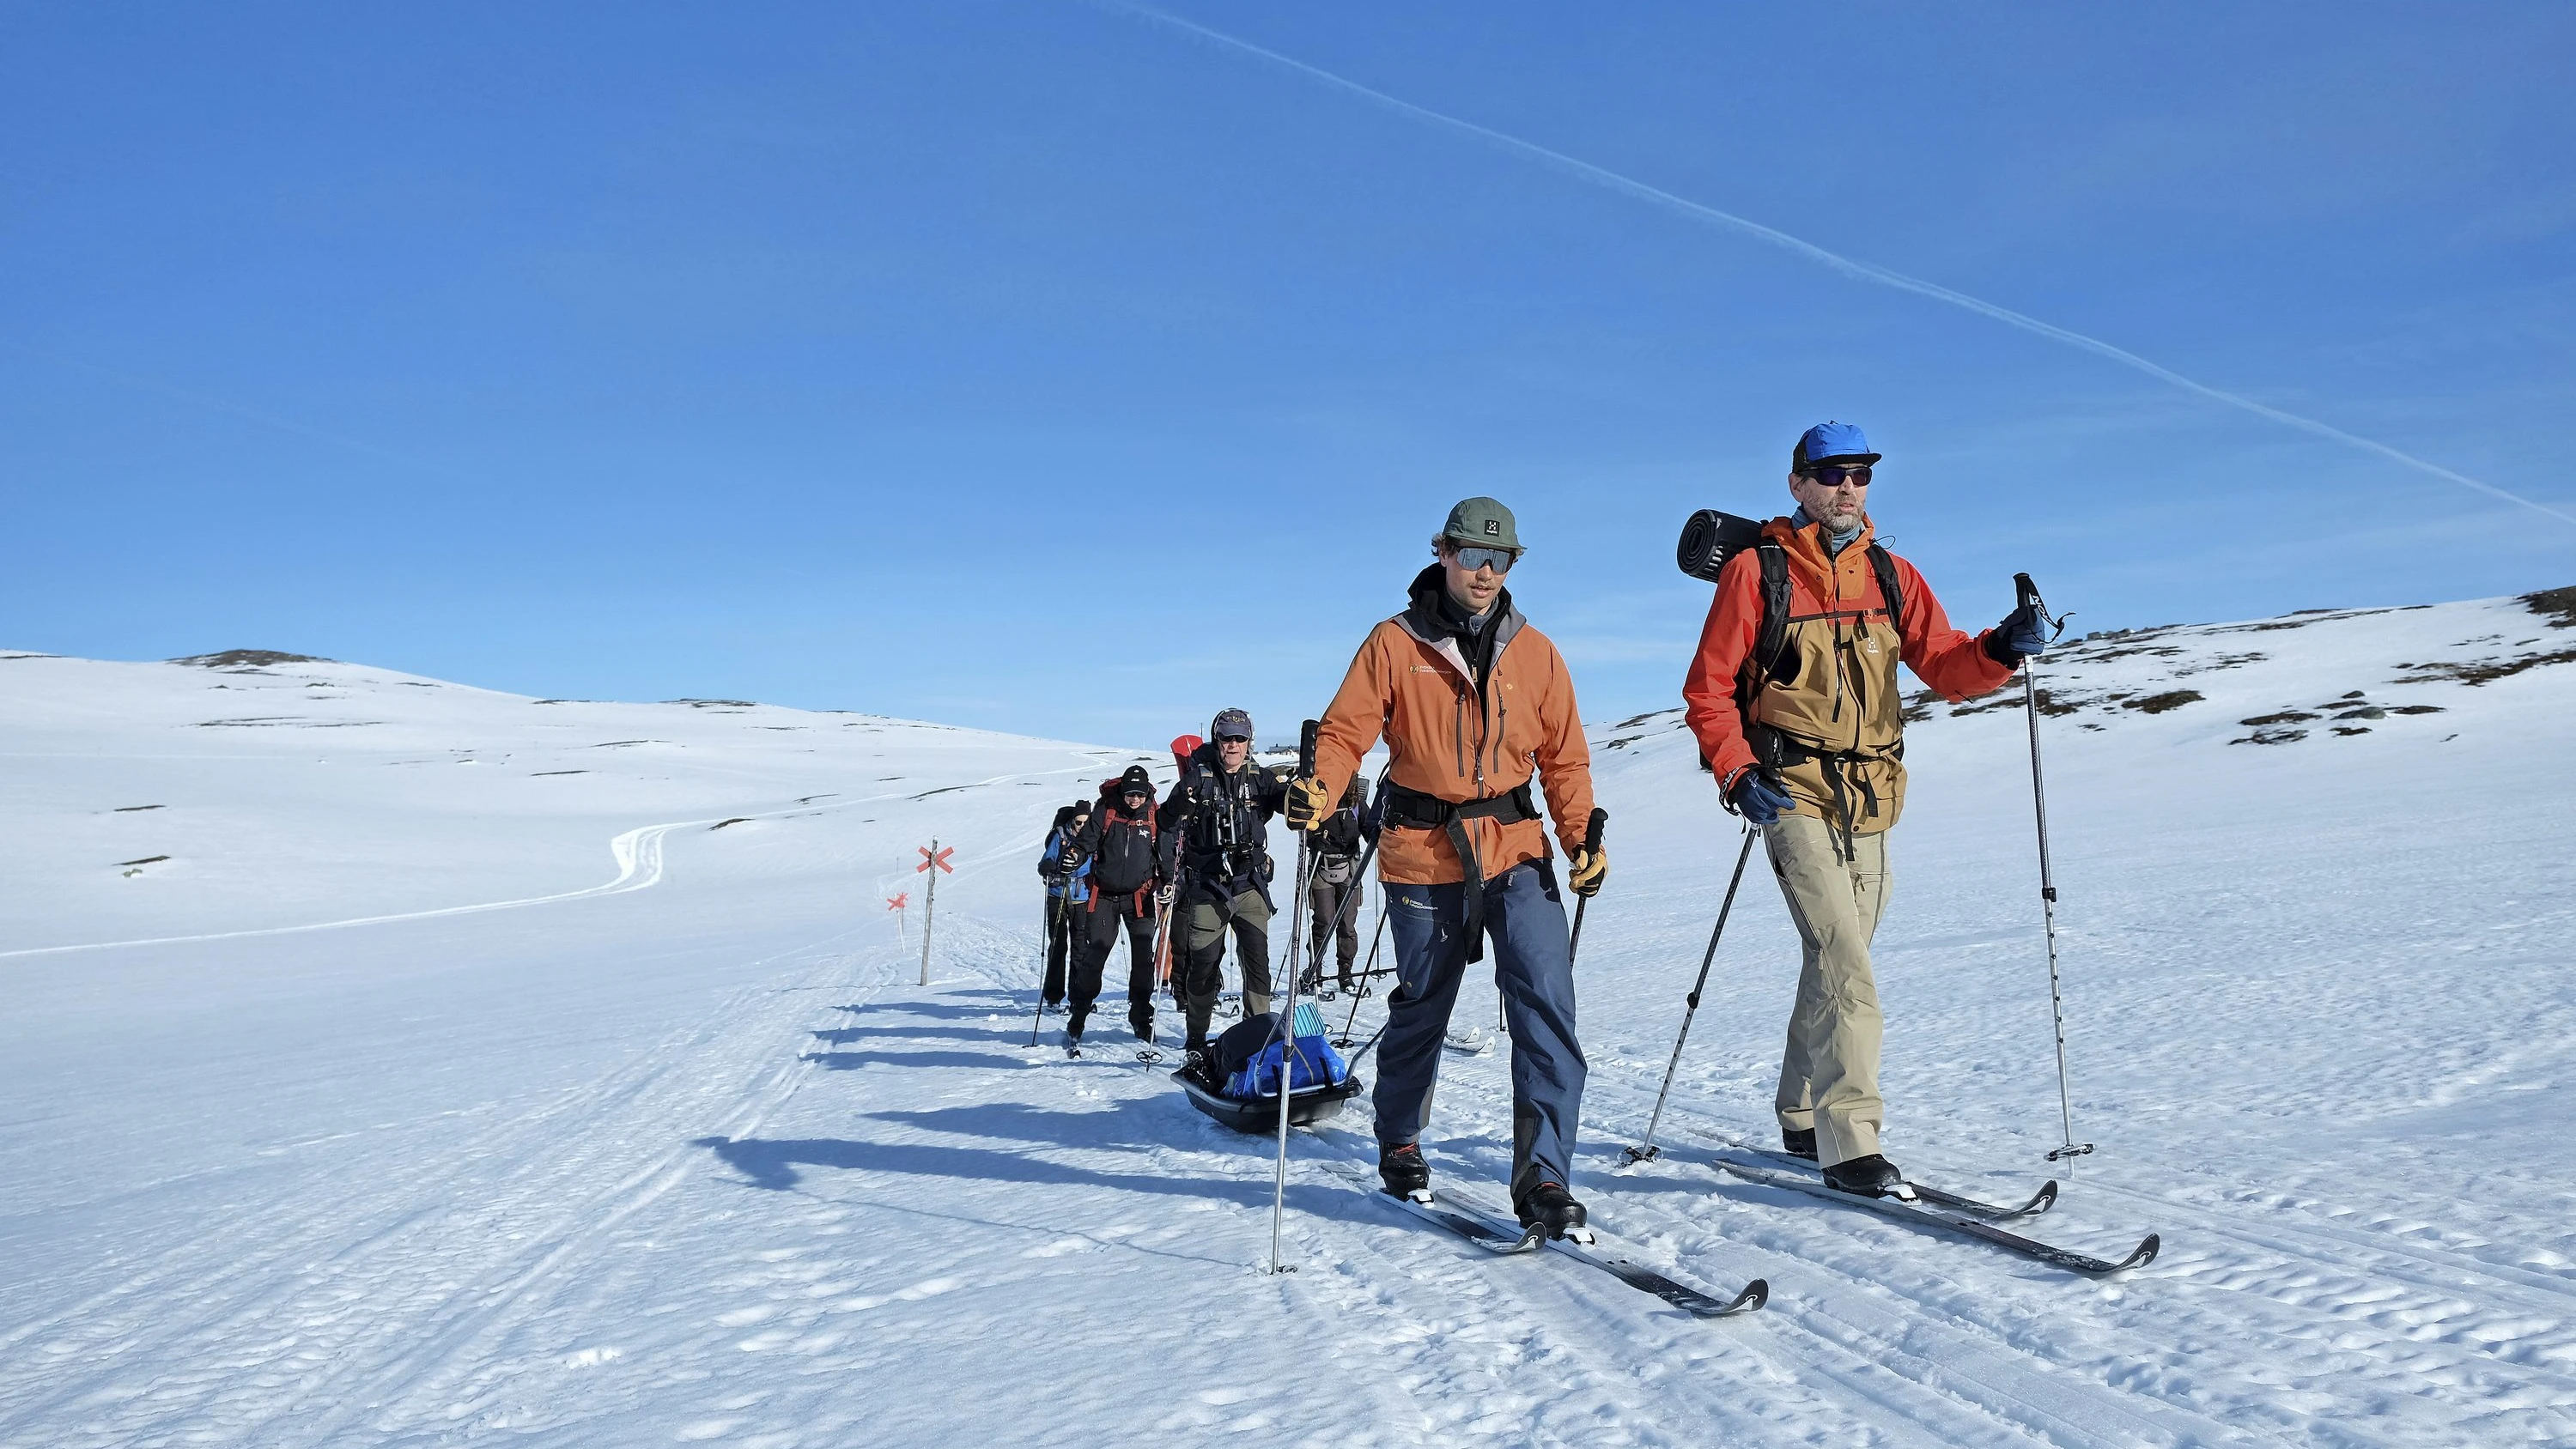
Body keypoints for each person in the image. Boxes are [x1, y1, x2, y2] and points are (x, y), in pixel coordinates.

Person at [1679, 421, 2048, 1197]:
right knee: (1847, 959)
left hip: (1874, 794)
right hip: (1790, 790)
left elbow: (1945, 665)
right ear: (1798, 484)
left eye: (1861, 474)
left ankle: (1801, 1110)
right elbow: (1709, 690)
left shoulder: (1892, 575)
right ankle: (1850, 1142)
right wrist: (1737, 771)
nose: (1848, 487)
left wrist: (2003, 648)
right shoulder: (1759, 573)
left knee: (1837, 956)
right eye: (1831, 472)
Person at [1290, 497, 1605, 1240]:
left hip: (1516, 846)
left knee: (1545, 1004)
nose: (1486, 571)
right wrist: (1319, 788)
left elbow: (1565, 760)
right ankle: (1399, 1134)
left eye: (1501, 559)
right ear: (1444, 554)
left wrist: (1580, 838)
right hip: (1422, 852)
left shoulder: (1538, 653)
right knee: (1425, 1003)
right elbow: (1344, 734)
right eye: (1472, 555)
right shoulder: (1394, 644)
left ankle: (1545, 1176)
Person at [1160, 709, 1289, 1070]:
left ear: (1249, 742)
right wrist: (1176, 805)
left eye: (1239, 739)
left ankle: (1257, 1037)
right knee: (1203, 966)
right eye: (1226, 739)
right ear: (1216, 741)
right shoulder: (1196, 778)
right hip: (1208, 888)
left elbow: (1286, 803)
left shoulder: (1259, 778)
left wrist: (1302, 798)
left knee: (1257, 964)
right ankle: (1197, 1036)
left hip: (1250, 886)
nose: (1232, 746)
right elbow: (1165, 820)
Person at [1060, 766, 1167, 1048]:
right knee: (1095, 955)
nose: (1134, 799)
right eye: (1130, 793)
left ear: (1147, 793)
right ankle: (1079, 1014)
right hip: (1104, 896)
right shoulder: (1106, 811)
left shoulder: (1153, 816)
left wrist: (1168, 882)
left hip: (1140, 897)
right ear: (1122, 791)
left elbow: (1165, 854)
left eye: (1140, 794)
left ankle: (1141, 1018)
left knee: (1144, 959)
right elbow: (1085, 843)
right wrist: (1072, 855)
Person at [1303, 774, 1370, 997]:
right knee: (1323, 922)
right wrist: (1314, 840)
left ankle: (1346, 974)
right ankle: (1315, 973)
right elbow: (1304, 829)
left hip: (1349, 867)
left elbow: (1368, 828)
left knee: (1347, 924)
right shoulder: (1319, 796)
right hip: (1321, 865)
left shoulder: (1357, 802)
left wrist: (1377, 832)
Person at [1036, 800, 1093, 1009]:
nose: (1082, 827)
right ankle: (1053, 996)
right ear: (1072, 821)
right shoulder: (1060, 836)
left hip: (1082, 898)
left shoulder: (1094, 839)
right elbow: (1045, 861)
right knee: (1058, 946)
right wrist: (1049, 867)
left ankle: (1078, 998)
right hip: (1058, 896)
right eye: (1079, 823)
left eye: (1086, 823)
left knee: (1081, 949)